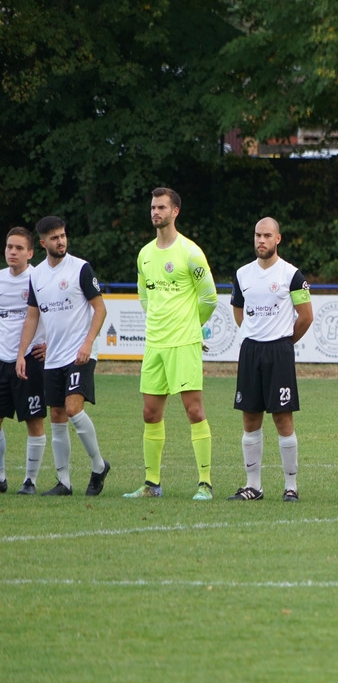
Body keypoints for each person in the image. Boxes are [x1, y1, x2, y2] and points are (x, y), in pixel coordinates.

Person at [126, 187, 218, 500]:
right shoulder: (144, 254)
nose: (155, 212)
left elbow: (209, 297)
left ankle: (204, 483)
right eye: (153, 207)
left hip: (184, 343)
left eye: (161, 207)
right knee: (150, 413)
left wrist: (192, 326)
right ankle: (152, 484)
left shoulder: (191, 252)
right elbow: (144, 296)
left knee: (194, 410)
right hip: (155, 344)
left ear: (175, 211)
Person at [16, 217, 109, 496]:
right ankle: (64, 482)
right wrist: (21, 354)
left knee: (72, 408)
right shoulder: (37, 275)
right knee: (56, 415)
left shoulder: (81, 268)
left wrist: (88, 344)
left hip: (80, 353)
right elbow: (32, 317)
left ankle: (98, 465)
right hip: (53, 357)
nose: (61, 241)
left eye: (63, 235)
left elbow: (100, 309)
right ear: (43, 242)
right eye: (55, 238)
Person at [228, 217, 313, 502]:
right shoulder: (242, 274)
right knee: (250, 417)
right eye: (257, 235)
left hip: (279, 352)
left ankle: (291, 486)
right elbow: (238, 311)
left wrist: (285, 342)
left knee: (282, 418)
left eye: (266, 235)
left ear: (278, 239)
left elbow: (306, 316)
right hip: (250, 351)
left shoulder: (293, 275)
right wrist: (253, 333)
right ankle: (253, 486)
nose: (261, 240)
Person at [0, 227, 47, 495]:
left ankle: (30, 481)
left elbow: (61, 315)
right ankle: (1, 477)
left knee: (34, 421)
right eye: (9, 247)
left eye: (19, 248)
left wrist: (50, 345)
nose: (13, 252)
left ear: (30, 253)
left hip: (29, 360)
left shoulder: (39, 279)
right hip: (1, 360)